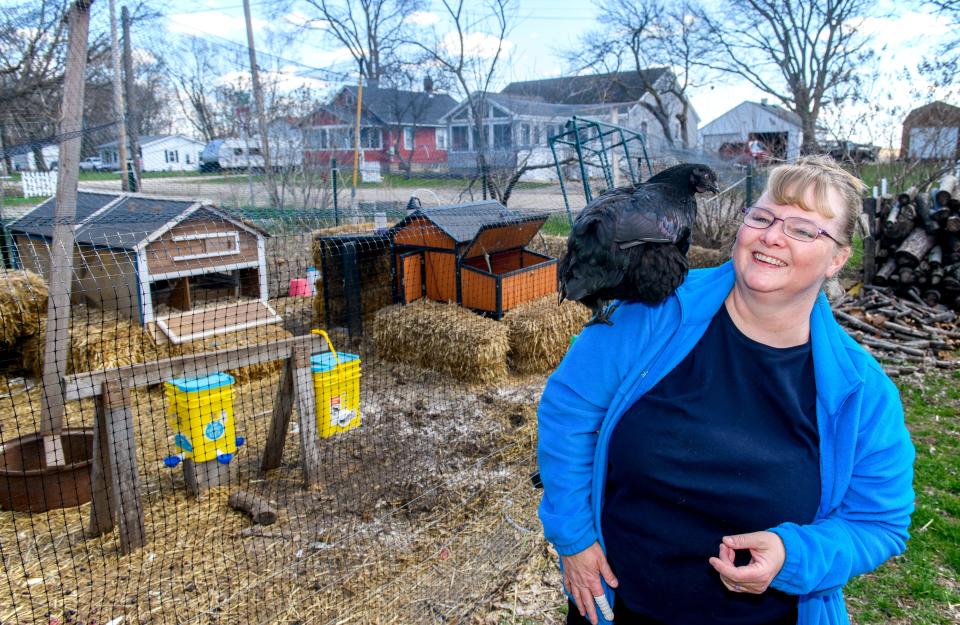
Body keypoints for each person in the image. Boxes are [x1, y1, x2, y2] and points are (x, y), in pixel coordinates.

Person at [537, 156, 916, 625]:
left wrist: (792, 554)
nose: (772, 236)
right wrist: (574, 539)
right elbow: (568, 413)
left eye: (802, 229)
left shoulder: (861, 392)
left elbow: (879, 523)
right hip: (620, 607)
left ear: (837, 259)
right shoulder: (653, 312)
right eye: (762, 217)